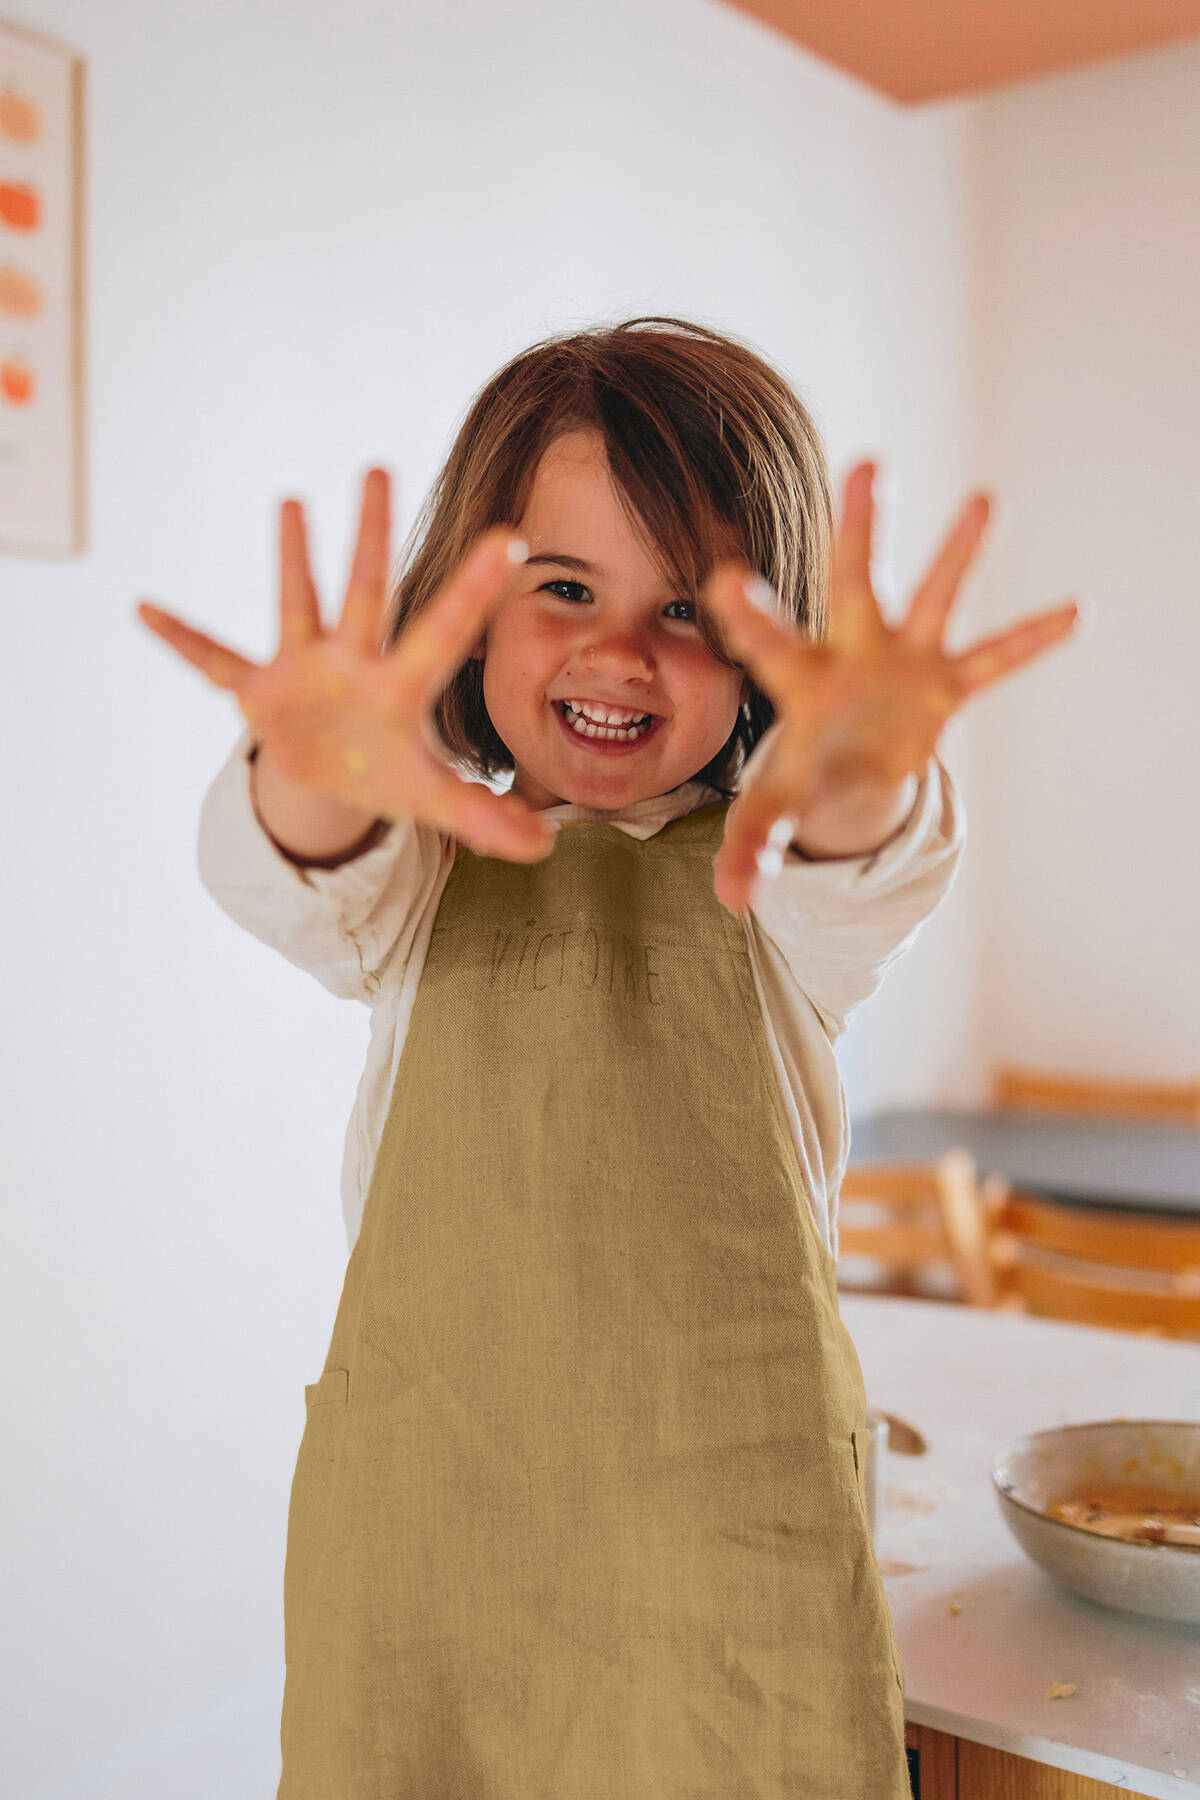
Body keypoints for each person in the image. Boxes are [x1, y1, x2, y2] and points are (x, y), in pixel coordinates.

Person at [136, 315, 1083, 1797]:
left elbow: (871, 854)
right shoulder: (416, 871)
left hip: (727, 1563)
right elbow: (286, 867)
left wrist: (859, 769)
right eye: (560, 585)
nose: (618, 652)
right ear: (459, 602)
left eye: (695, 610)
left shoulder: (780, 890)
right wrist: (312, 771)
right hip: (429, 1550)